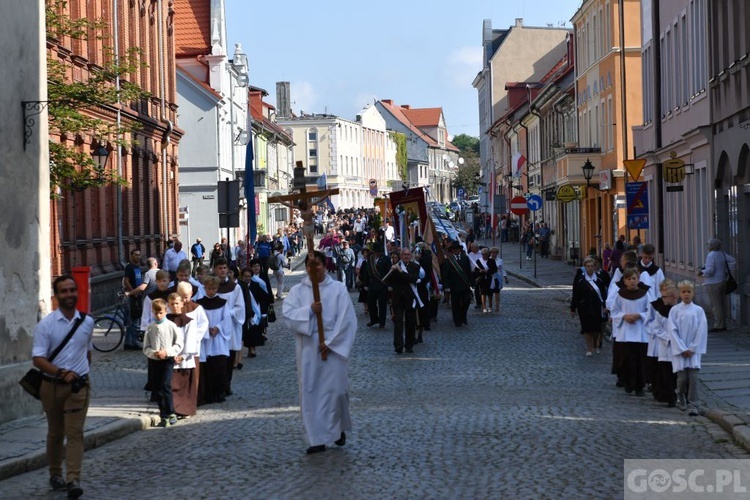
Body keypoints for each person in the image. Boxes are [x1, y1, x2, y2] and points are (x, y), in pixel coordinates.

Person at [282, 250, 357, 454]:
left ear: (325, 266)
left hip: (334, 347)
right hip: (309, 346)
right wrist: (309, 310)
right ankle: (316, 438)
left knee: (338, 392)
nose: (313, 269)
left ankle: (338, 428)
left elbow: (347, 319)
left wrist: (332, 342)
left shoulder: (338, 289)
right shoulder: (298, 291)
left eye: (317, 265)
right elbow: (288, 315)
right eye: (309, 265)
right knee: (311, 392)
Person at [32, 275, 95, 499]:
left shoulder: (87, 322)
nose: (69, 294)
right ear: (56, 296)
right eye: (64, 291)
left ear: (77, 293)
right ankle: (55, 474)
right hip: (51, 386)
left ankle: (73, 479)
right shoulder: (45, 326)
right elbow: (37, 359)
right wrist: (60, 372)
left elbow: (87, 352)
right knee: (56, 433)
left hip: (78, 388)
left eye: (72, 290)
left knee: (75, 433)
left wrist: (81, 375)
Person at [669, 280, 708, 416]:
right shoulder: (674, 310)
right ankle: (680, 395)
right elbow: (672, 330)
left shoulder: (698, 311)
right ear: (679, 294)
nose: (686, 295)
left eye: (689, 292)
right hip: (680, 351)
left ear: (693, 293)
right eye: (683, 292)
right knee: (682, 379)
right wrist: (681, 348)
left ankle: (693, 404)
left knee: (693, 378)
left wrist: (692, 348)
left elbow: (701, 330)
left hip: (693, 352)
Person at [142, 298, 183, 428]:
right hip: (155, 361)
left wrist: (168, 352)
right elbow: (146, 347)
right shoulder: (150, 328)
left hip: (167, 360)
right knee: (157, 388)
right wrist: (153, 353)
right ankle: (163, 414)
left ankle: (171, 412)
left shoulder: (171, 326)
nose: (158, 315)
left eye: (161, 313)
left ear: (166, 311)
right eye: (155, 313)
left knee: (166, 385)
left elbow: (179, 344)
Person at [610, 267, 650, 396]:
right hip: (625, 332)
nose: (632, 281)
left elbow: (650, 311)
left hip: (640, 332)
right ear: (625, 281)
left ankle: (639, 386)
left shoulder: (645, 294)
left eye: (634, 278)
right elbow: (614, 311)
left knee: (640, 360)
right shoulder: (620, 294)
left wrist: (640, 316)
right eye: (629, 279)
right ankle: (628, 382)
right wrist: (623, 316)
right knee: (627, 360)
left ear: (638, 280)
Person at [172, 282, 208, 417]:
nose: (184, 300)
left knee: (191, 378)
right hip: (175, 350)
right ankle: (177, 404)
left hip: (192, 348)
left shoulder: (197, 308)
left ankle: (189, 404)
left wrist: (193, 338)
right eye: (181, 296)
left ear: (191, 294)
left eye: (186, 297)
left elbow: (203, 324)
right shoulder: (174, 308)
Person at [195, 275, 232, 404]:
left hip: (218, 337)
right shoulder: (199, 304)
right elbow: (198, 320)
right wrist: (206, 329)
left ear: (217, 288)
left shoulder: (222, 302)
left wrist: (218, 328)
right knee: (208, 367)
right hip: (206, 338)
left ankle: (220, 392)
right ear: (204, 288)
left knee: (220, 365)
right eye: (208, 288)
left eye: (213, 288)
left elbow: (227, 318)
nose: (211, 291)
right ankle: (209, 394)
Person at [644, 279, 679, 407]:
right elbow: (651, 325)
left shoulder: (679, 309)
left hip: (676, 346)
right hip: (660, 343)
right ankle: (663, 393)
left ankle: (676, 395)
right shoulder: (657, 307)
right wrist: (665, 337)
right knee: (662, 371)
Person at [570, 257, 608, 356]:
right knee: (586, 328)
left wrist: (605, 306)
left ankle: (596, 344)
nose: (590, 268)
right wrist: (573, 308)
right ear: (585, 267)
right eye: (588, 266)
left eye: (592, 266)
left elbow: (604, 294)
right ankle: (589, 348)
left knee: (596, 329)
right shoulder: (580, 279)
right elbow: (576, 294)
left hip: (597, 307)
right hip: (584, 307)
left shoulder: (599, 279)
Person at [388, 247, 422, 354]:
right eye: (404, 255)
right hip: (398, 298)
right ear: (401, 256)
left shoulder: (415, 266)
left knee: (410, 322)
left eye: (408, 255)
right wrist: (391, 271)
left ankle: (409, 345)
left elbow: (412, 279)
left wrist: (401, 272)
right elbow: (389, 281)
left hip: (410, 298)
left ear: (410, 256)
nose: (406, 256)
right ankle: (398, 345)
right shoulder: (396, 266)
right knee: (398, 322)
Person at [698, 238, 737, 332]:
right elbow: (733, 261)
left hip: (713, 283)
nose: (707, 246)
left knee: (716, 305)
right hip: (722, 281)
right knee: (722, 304)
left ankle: (718, 325)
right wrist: (726, 271)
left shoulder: (711, 255)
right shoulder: (722, 254)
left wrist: (701, 272)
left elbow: (710, 270)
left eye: (708, 244)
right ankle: (723, 324)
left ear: (711, 246)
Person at [441, 241, 473, 327]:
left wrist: (471, 282)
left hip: (464, 284)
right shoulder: (448, 261)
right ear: (452, 250)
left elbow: (468, 271)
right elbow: (445, 275)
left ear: (460, 249)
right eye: (454, 249)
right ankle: (457, 320)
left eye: (457, 249)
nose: (456, 250)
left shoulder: (465, 258)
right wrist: (446, 286)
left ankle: (463, 315)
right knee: (455, 304)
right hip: (454, 285)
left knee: (467, 300)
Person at [122, 249, 146, 350]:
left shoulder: (137, 267)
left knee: (133, 319)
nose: (138, 257)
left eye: (139, 255)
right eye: (136, 255)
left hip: (137, 295)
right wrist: (133, 292)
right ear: (131, 256)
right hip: (132, 296)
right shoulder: (129, 267)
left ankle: (128, 343)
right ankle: (134, 342)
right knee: (134, 319)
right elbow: (126, 281)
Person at [489, 247, 508, 314]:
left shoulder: (500, 260)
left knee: (497, 292)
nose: (493, 254)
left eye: (495, 252)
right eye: (492, 252)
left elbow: (502, 269)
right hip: (490, 278)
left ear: (497, 253)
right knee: (490, 293)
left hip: (498, 277)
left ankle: (497, 305)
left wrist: (505, 277)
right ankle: (490, 305)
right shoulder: (488, 260)